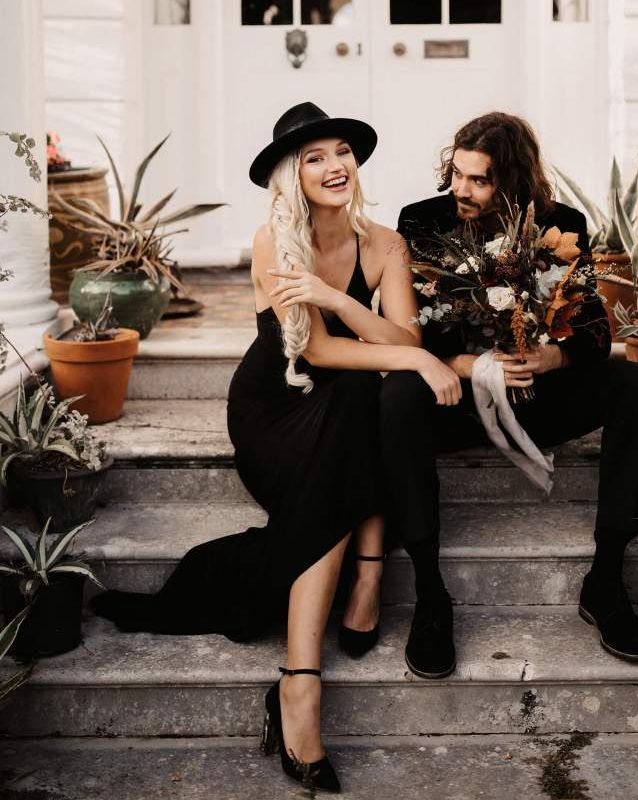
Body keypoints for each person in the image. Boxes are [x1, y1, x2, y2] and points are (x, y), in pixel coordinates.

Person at [93, 102, 462, 794]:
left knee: (368, 398)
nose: (334, 167)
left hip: (343, 409)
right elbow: (320, 349)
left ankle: (304, 676)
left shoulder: (387, 245)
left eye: (342, 152)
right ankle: (343, 614)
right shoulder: (275, 240)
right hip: (274, 408)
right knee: (369, 393)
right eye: (314, 157)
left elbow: (404, 342)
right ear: (292, 176)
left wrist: (346, 301)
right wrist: (404, 354)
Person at [384, 111, 638, 681]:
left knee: (635, 380)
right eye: (456, 174)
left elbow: (596, 332)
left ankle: (605, 578)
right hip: (456, 403)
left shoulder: (561, 224)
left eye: (477, 180)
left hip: (539, 401)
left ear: (510, 181)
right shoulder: (422, 222)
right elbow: (413, 336)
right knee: (399, 393)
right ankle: (431, 596)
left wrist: (552, 356)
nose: (460, 189)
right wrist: (471, 364)